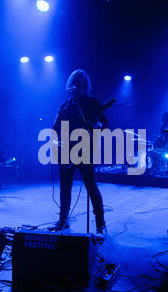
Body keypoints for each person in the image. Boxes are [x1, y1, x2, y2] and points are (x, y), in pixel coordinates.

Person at [50, 69, 107, 235]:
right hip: (66, 151)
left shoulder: (93, 103)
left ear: (85, 87)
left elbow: (105, 125)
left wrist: (98, 126)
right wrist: (55, 141)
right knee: (65, 187)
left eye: (80, 86)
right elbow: (55, 129)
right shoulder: (65, 106)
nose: (76, 89)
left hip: (85, 150)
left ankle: (100, 223)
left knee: (91, 186)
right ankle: (63, 219)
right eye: (74, 86)